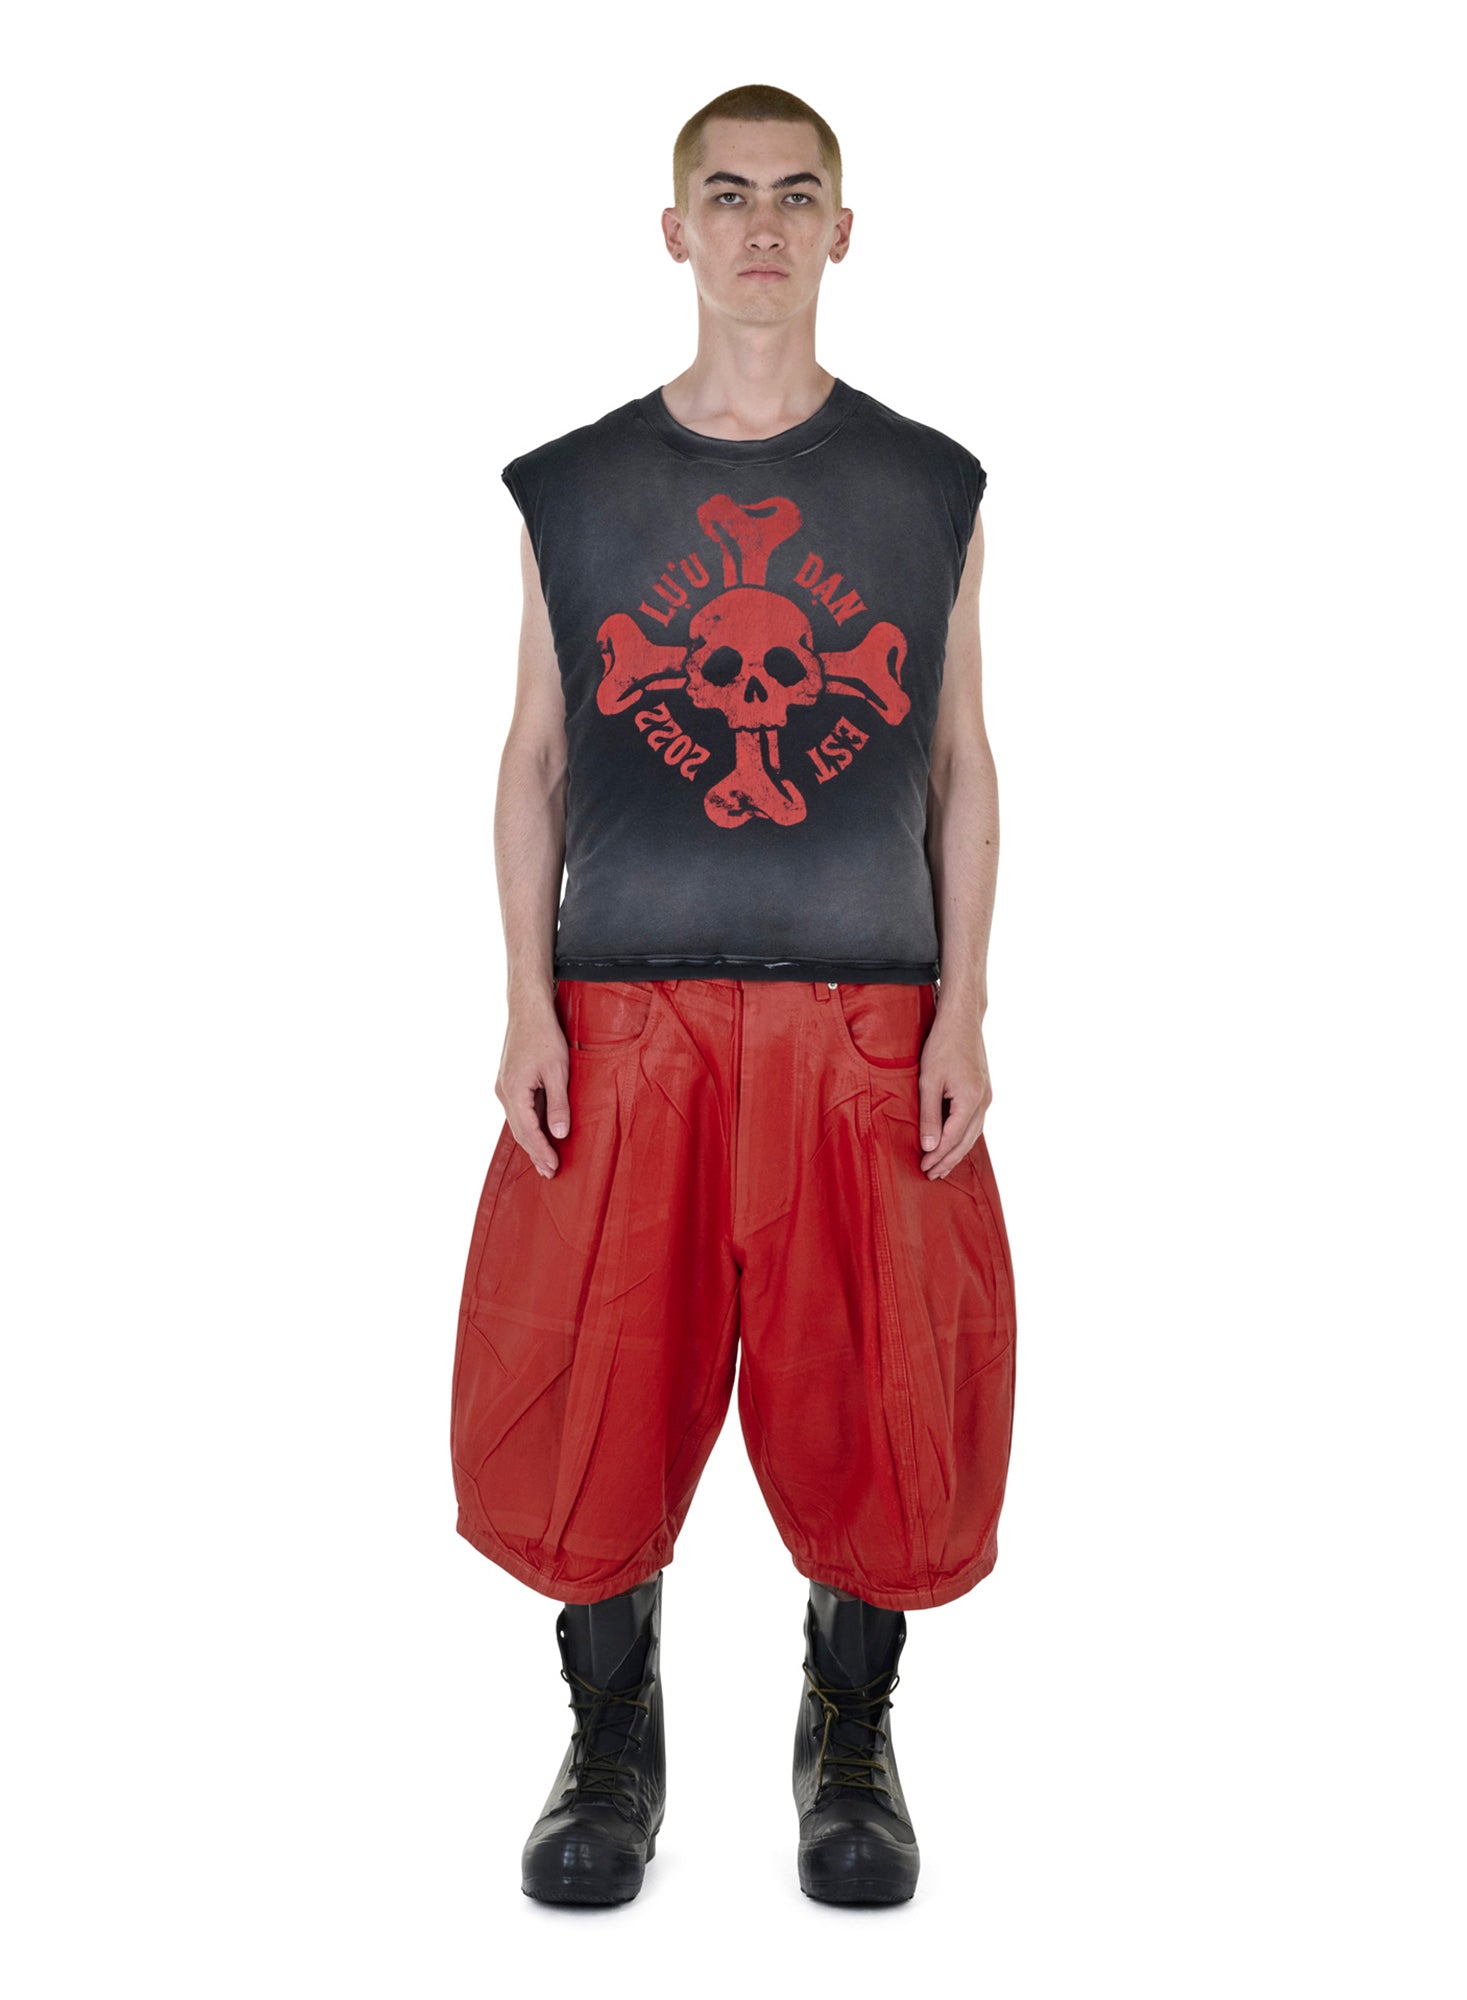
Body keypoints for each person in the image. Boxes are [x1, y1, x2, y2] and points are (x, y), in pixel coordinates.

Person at [449, 81, 1017, 1909]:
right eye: (725, 194)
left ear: (842, 232)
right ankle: (611, 1735)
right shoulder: (575, 488)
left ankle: (849, 1730)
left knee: (878, 1379)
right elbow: (536, 755)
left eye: (792, 195)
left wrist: (967, 1006)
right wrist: (525, 1002)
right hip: (629, 1013)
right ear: (674, 230)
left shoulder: (930, 488)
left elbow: (961, 761)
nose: (758, 226)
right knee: (599, 1376)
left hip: (867, 1014)